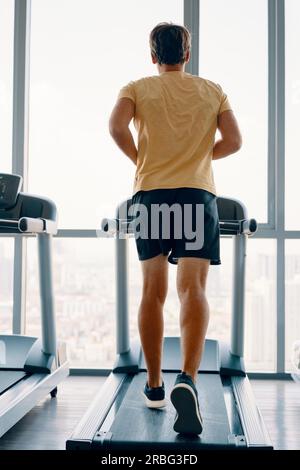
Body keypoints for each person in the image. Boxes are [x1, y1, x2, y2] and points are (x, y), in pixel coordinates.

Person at [108, 22, 242, 435]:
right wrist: (199, 157)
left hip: (152, 196)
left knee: (153, 291)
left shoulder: (136, 87)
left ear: (153, 55)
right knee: (193, 290)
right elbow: (235, 141)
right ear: (186, 54)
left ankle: (153, 385)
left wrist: (143, 162)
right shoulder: (212, 89)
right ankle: (188, 377)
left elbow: (116, 128)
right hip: (197, 197)